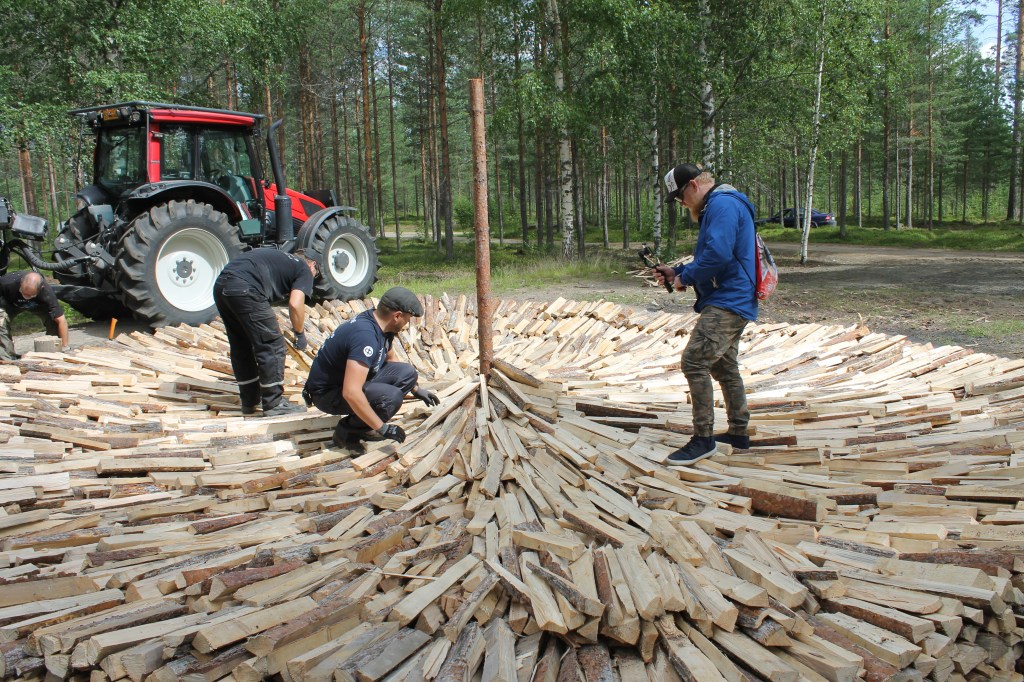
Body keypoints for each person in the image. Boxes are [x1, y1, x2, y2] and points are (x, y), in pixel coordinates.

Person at [654, 163, 758, 464]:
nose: (680, 203)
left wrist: (686, 278)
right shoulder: (720, 204)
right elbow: (716, 258)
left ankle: (703, 439)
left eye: (679, 196)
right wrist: (678, 270)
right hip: (732, 296)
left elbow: (718, 255)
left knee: (694, 362)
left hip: (729, 300)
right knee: (724, 368)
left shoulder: (722, 205)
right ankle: (739, 433)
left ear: (694, 185)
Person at [302, 286, 439, 450]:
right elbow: (351, 392)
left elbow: (392, 360)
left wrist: (415, 389)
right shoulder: (365, 336)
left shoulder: (382, 325)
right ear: (397, 316)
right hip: (327, 394)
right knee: (391, 398)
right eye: (407, 319)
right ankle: (346, 433)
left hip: (346, 382)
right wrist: (382, 428)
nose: (407, 324)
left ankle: (363, 419)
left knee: (408, 373)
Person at [213, 248, 316, 417]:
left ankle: (250, 401)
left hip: (221, 285)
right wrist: (300, 333)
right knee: (272, 344)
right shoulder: (304, 268)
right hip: (245, 287)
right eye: (315, 274)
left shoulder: (281, 259)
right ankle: (274, 403)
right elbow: (296, 303)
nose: (312, 278)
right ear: (313, 264)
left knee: (241, 345)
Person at [0, 271, 69, 360]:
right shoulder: (5, 282)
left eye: (29, 295)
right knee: (0, 321)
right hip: (10, 303)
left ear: (41, 288)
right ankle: (7, 357)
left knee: (54, 320)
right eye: (23, 293)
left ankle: (53, 352)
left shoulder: (46, 291)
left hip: (38, 305)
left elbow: (61, 321)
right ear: (21, 282)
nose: (25, 297)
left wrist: (65, 346)